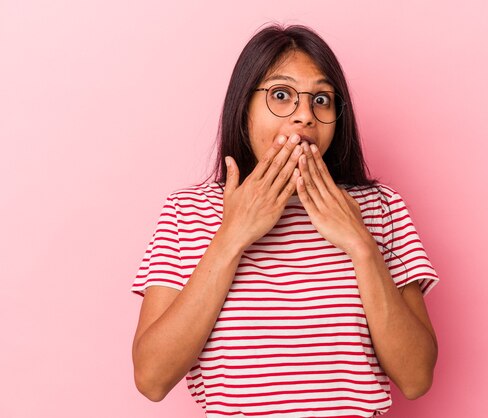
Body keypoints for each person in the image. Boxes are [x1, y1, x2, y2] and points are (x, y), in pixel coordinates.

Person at [130, 23, 440, 418]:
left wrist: (360, 244)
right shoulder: (187, 212)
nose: (306, 117)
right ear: (244, 109)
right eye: (281, 95)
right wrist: (233, 235)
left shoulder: (380, 208)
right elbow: (152, 378)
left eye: (322, 100)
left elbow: (416, 377)